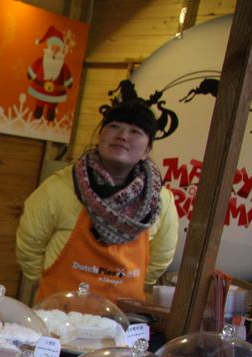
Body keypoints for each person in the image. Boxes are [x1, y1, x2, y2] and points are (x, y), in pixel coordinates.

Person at [16, 99, 178, 303]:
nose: (122, 136)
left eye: (135, 131)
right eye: (114, 126)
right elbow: (29, 245)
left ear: (147, 150)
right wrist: (47, 282)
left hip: (122, 321)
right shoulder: (58, 188)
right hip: (58, 317)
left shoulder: (161, 201)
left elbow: (160, 259)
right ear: (100, 136)